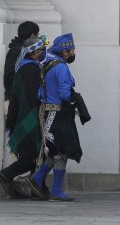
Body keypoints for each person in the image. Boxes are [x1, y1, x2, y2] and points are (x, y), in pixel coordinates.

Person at [24, 33, 83, 202]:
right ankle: (55, 190)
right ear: (64, 52)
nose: (73, 53)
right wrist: (74, 100)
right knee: (61, 152)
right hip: (57, 114)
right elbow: (65, 94)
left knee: (57, 152)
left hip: (48, 112)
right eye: (71, 50)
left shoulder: (48, 64)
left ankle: (36, 179)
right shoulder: (61, 68)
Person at [0, 36, 48, 199]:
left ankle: (37, 186)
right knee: (32, 158)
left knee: (36, 157)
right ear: (34, 53)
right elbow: (32, 98)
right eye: (41, 50)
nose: (44, 52)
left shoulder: (26, 68)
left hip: (24, 118)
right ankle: (6, 175)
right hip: (29, 119)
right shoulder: (30, 70)